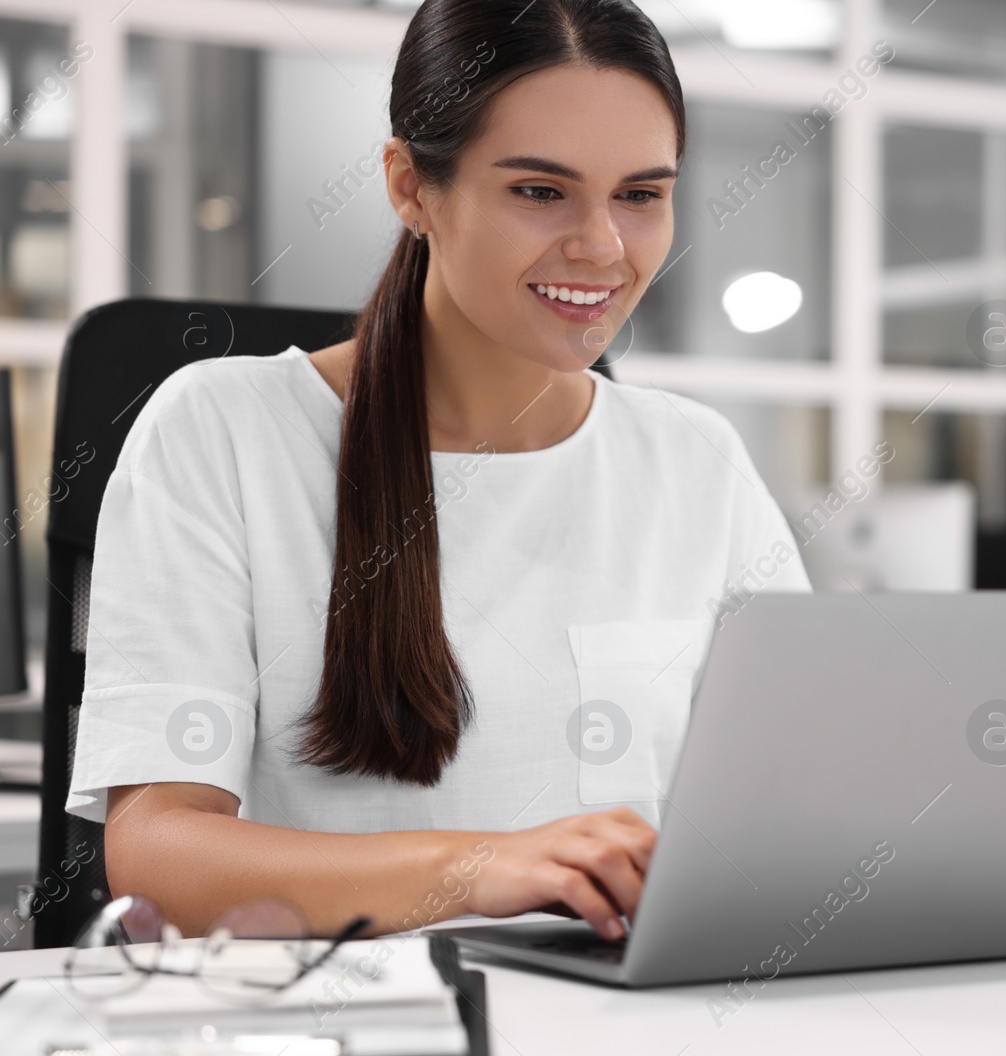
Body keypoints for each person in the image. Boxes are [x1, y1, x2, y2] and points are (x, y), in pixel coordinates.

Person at [68, 0, 808, 941]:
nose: (602, 247)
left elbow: (798, 809)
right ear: (411, 187)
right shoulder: (222, 430)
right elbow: (159, 854)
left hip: (626, 1020)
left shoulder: (697, 459)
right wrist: (479, 866)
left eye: (641, 193)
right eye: (540, 191)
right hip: (351, 1023)